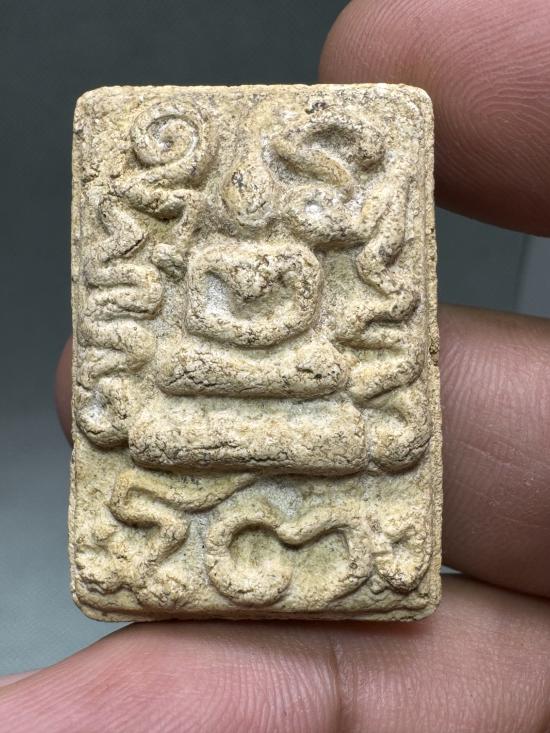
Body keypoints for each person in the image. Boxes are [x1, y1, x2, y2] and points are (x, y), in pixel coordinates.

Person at [1, 0, 549, 729]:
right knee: (164, 414)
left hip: (300, 377)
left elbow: (304, 328)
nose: (251, 219)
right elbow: (199, 328)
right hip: (208, 379)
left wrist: (286, 359)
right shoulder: (206, 254)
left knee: (328, 396)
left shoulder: (300, 256)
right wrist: (218, 356)